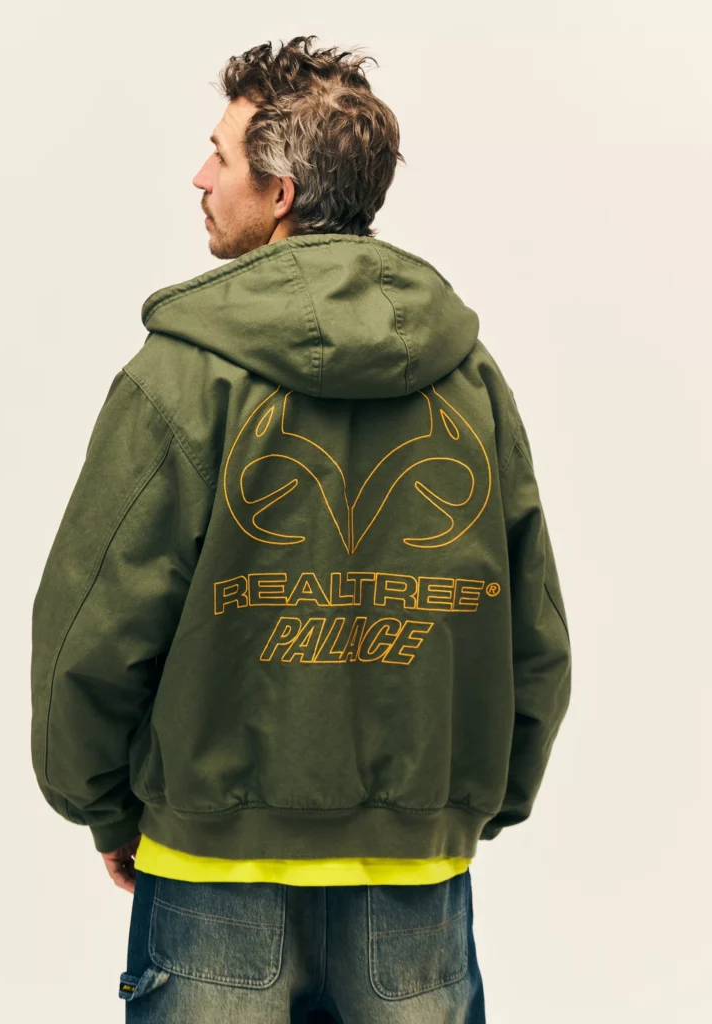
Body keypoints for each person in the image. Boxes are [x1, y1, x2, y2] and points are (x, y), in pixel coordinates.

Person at [30, 34, 572, 1023]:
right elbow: (532, 622)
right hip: (412, 873)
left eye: (220, 155)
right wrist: (467, 801)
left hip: (210, 867)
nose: (200, 176)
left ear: (278, 193)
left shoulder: (181, 375)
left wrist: (103, 804)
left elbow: (93, 628)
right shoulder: (468, 378)